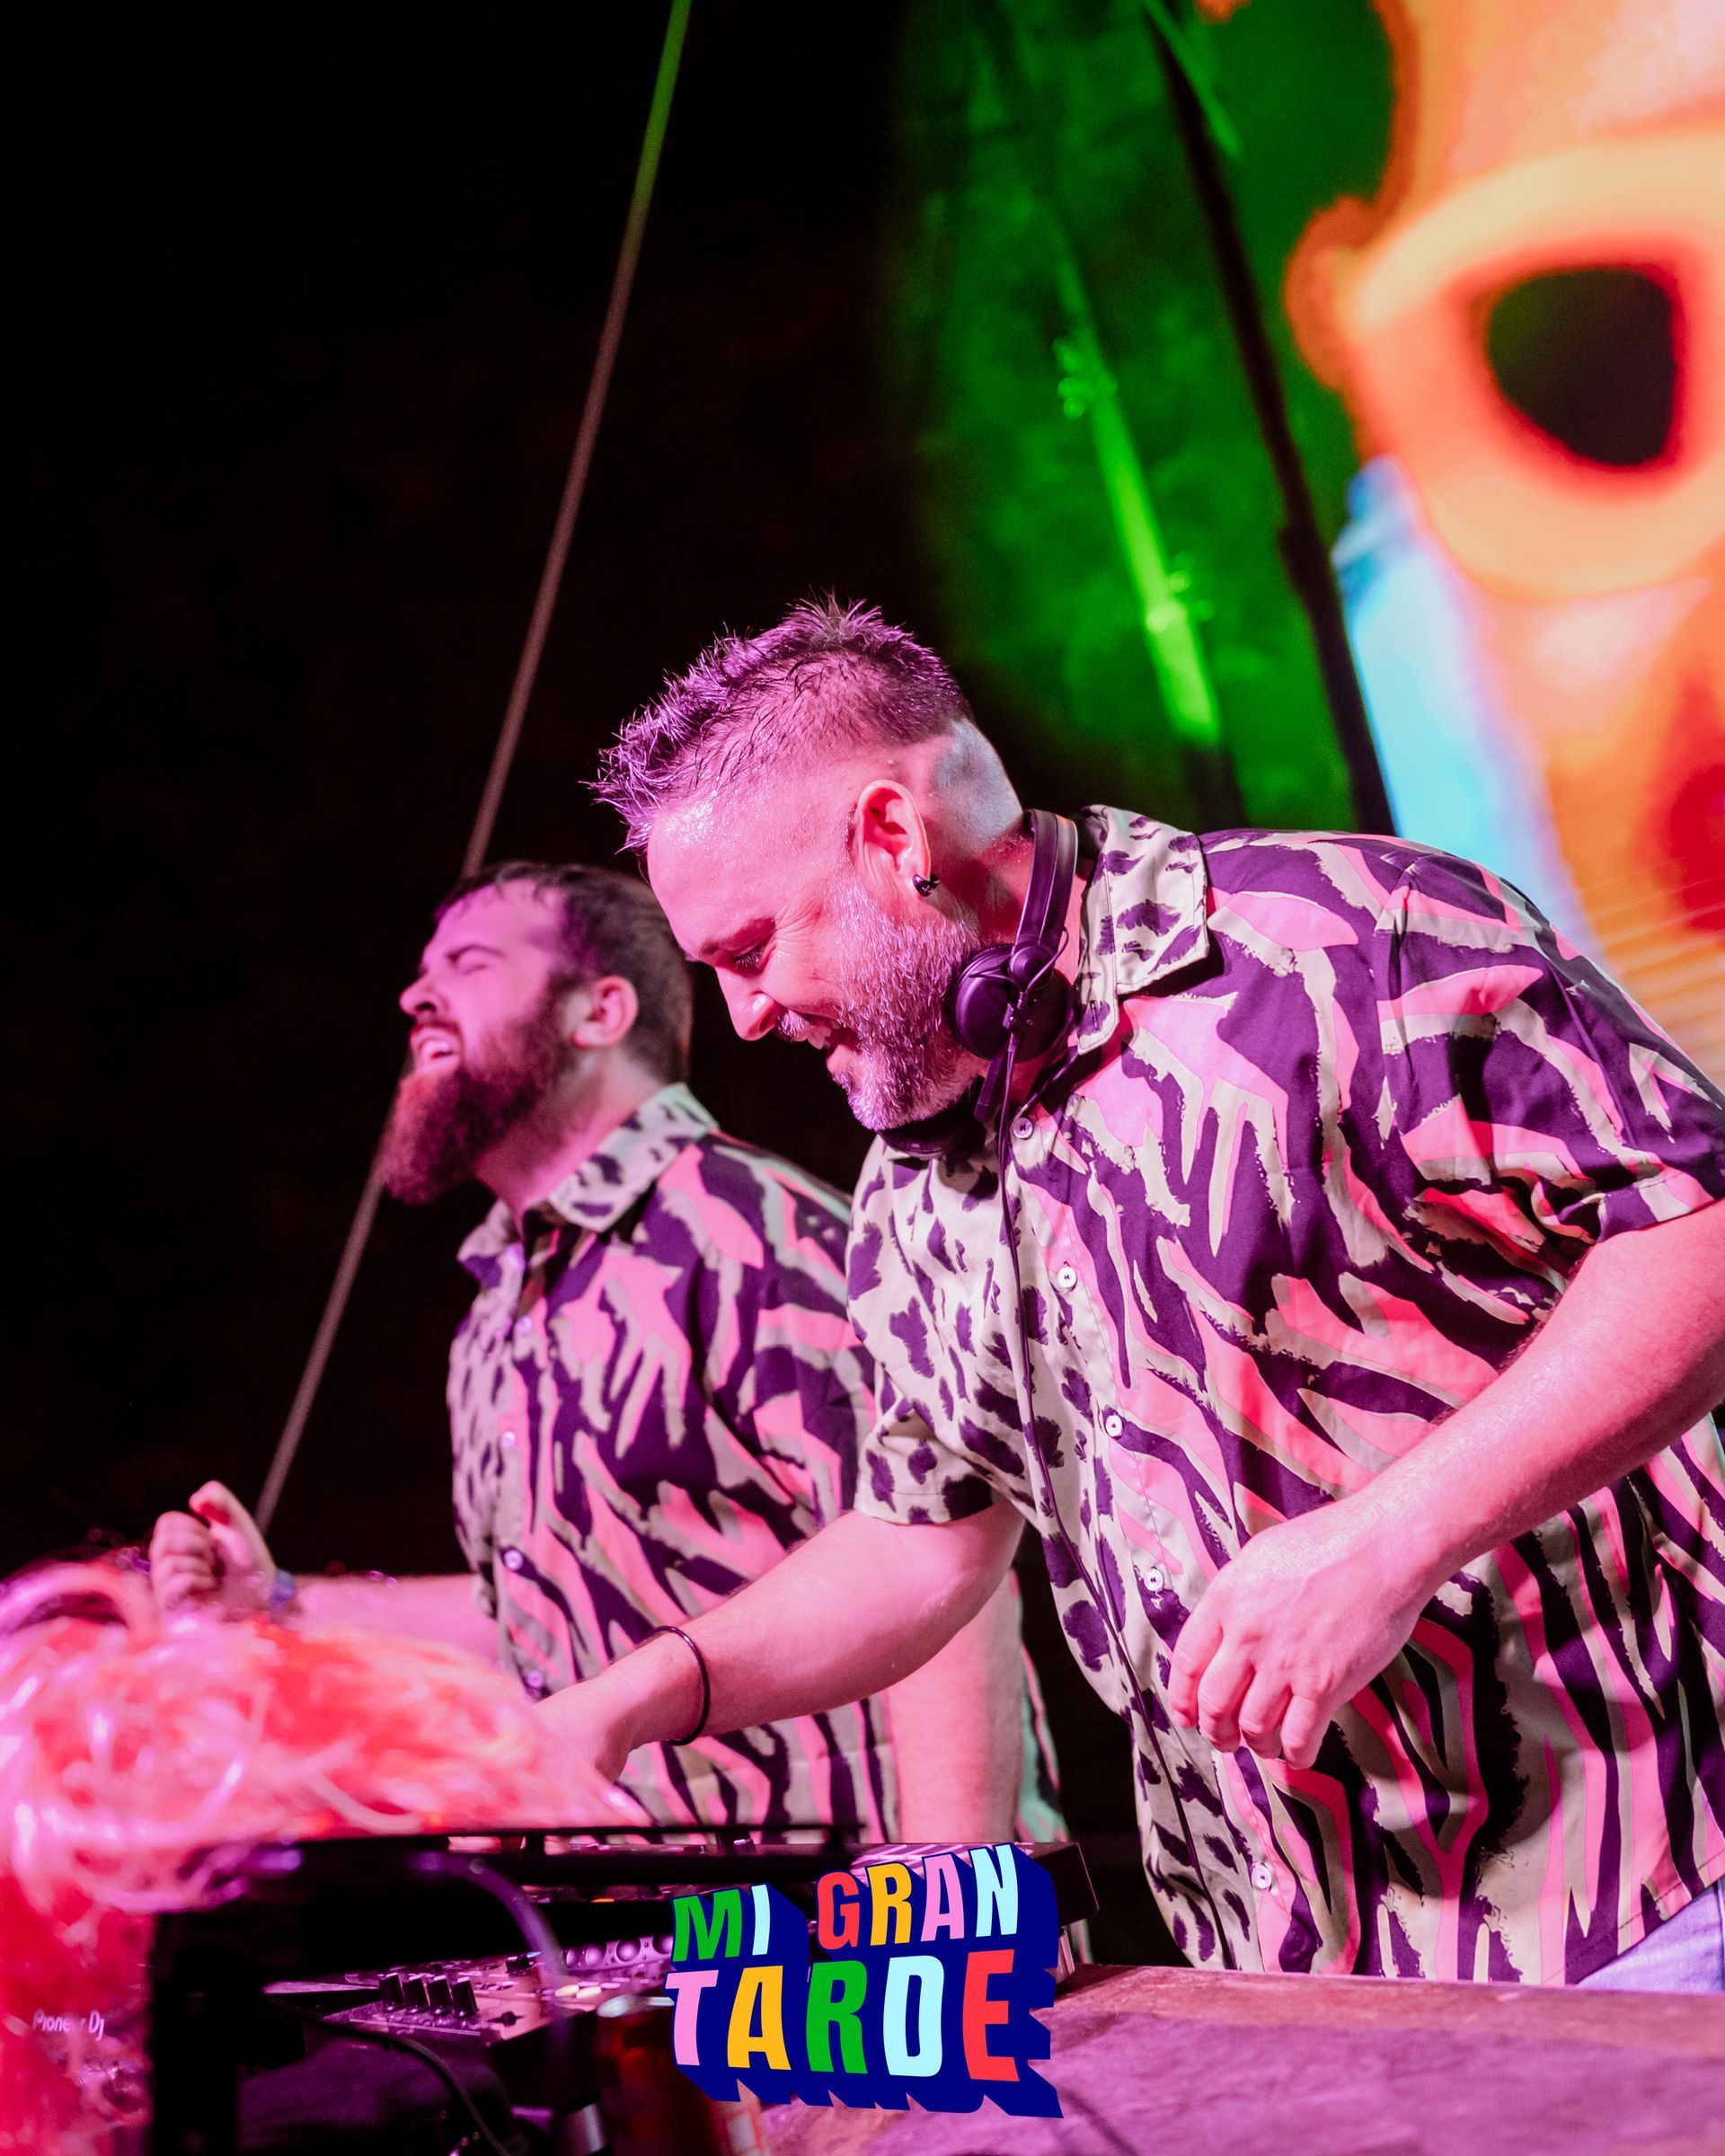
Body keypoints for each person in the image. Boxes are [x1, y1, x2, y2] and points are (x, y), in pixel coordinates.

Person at [543, 597, 1725, 1988]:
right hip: (1293, 1977)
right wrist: (633, 1698)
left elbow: (1696, 1227)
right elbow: (925, 1545)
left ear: (893, 837)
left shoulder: (1346, 935)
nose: (743, 1017)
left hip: (1647, 1890)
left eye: (751, 949)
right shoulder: (911, 1184)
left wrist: (1395, 1538)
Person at [150, 862, 1060, 1844]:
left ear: (600, 1012)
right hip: (666, 1941)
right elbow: (536, 1623)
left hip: (843, 1944)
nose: (416, 994)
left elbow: (940, 1579)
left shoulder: (756, 1237)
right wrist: (280, 1602)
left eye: (467, 962)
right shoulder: (500, 1311)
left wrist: (946, 1927)